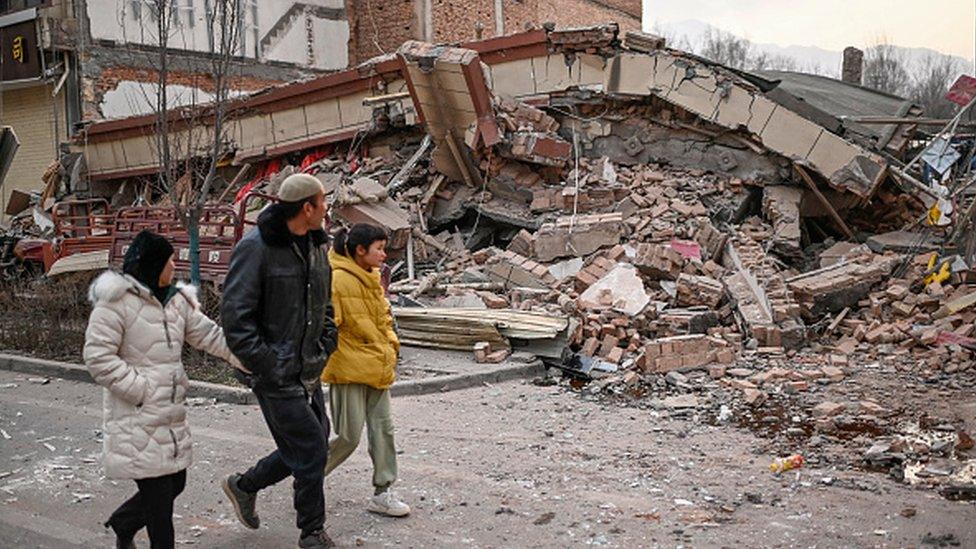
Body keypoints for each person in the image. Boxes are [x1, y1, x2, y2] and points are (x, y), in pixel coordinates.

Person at [84, 230, 242, 549]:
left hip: (169, 414)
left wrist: (249, 358)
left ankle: (124, 522)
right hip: (137, 412)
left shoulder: (176, 301)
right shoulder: (115, 303)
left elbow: (209, 335)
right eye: (170, 261)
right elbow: (98, 357)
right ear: (153, 264)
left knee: (175, 483)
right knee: (159, 504)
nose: (175, 266)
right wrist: (141, 390)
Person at [220, 173, 338, 549]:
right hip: (275, 372)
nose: (326, 209)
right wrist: (267, 362)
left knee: (313, 441)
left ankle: (244, 485)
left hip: (308, 367)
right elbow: (236, 318)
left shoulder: (317, 245)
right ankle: (311, 533)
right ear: (307, 208)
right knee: (311, 450)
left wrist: (327, 338)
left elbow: (324, 300)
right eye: (323, 203)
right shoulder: (256, 248)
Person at [322, 223, 410, 517]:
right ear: (360, 250)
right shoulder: (338, 280)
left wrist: (391, 346)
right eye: (379, 249)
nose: (384, 255)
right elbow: (326, 328)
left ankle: (383, 491)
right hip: (349, 370)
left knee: (383, 431)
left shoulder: (371, 276)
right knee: (348, 437)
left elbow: (384, 319)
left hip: (377, 366)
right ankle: (309, 478)